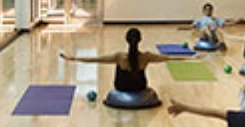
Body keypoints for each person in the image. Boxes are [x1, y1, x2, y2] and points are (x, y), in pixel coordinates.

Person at [59, 28, 197, 92]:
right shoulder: (147, 57)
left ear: (126, 40)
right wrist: (191, 56)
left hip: (122, 87)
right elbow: (169, 58)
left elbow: (96, 60)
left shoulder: (119, 57)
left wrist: (73, 58)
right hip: (139, 87)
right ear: (140, 40)